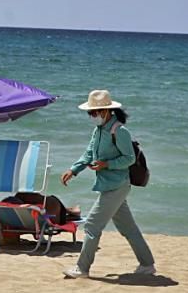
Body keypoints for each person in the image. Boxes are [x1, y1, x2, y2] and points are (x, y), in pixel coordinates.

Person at [60, 90, 156, 279]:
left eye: (93, 113)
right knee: (129, 229)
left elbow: (128, 158)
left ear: (106, 111)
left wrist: (107, 164)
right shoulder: (98, 130)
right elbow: (89, 153)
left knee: (92, 226)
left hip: (118, 185)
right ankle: (147, 265)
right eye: (90, 113)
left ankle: (82, 268)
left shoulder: (119, 131)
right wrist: (74, 170)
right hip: (108, 185)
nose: (91, 116)